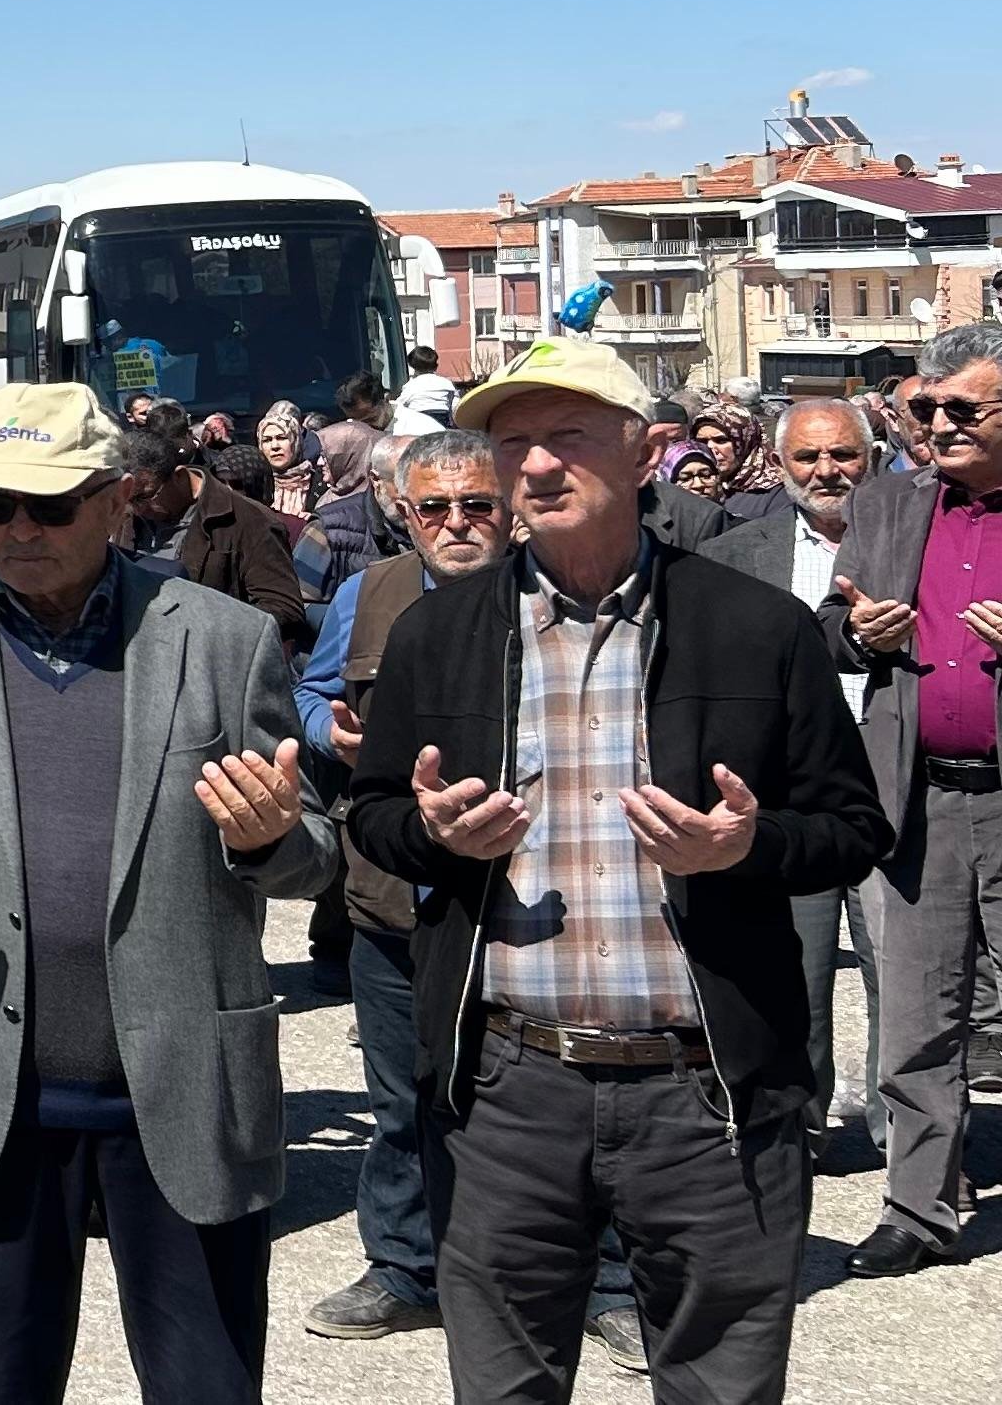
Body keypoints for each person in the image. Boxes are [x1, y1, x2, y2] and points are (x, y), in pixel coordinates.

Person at [347, 333, 891, 1399]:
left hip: (706, 1085)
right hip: (509, 1088)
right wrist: (436, 836)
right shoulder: (437, 633)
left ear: (644, 454)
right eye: (512, 445)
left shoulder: (758, 627)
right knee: (504, 1384)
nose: (536, 466)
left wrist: (745, 846)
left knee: (721, 1382)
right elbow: (373, 818)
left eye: (567, 438)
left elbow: (849, 825)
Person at [0, 382, 330, 1405]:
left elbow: (312, 851)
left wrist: (272, 841)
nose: (17, 530)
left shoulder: (223, 640)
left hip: (180, 1086)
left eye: (47, 506)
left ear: (117, 498)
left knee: (207, 1388)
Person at [293, 429, 598, 1348]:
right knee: (403, 1095)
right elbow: (310, 691)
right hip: (396, 896)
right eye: (436, 508)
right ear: (402, 513)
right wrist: (329, 734)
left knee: (582, 1093)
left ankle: (614, 1283)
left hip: (543, 896)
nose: (458, 524)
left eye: (478, 506)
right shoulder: (366, 594)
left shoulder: (565, 593)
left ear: (509, 511)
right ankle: (405, 1266)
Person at [826, 319, 1002, 1280]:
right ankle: (919, 1210)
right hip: (917, 799)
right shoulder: (890, 502)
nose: (937, 425)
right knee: (916, 1019)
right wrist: (861, 634)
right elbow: (828, 629)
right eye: (922, 408)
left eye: (961, 408)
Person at [709, 396, 892, 1138]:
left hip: (896, 778)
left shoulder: (912, 540)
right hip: (789, 793)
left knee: (903, 975)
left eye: (843, 455)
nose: (827, 471)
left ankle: (905, 1138)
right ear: (780, 465)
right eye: (808, 457)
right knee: (797, 975)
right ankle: (800, 1132)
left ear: (871, 459)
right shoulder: (732, 556)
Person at [120, 404, 312, 657]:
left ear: (179, 477)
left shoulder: (249, 521)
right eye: (127, 499)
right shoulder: (123, 515)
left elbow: (284, 610)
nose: (136, 509)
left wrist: (204, 630)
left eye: (145, 497)